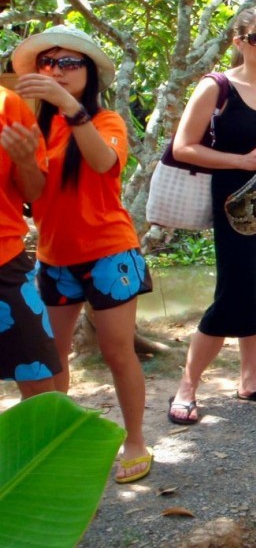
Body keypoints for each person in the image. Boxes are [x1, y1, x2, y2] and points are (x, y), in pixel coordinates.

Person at [12, 25, 153, 482]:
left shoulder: (107, 122)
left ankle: (135, 440)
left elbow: (102, 163)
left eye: (68, 63)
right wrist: (20, 156)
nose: (56, 71)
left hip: (109, 254)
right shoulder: (36, 128)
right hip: (53, 258)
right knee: (53, 358)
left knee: (117, 352)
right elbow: (32, 193)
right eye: (47, 63)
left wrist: (71, 109)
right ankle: (60, 441)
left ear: (89, 73)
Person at [167, 6, 256, 425]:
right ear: (239, 42)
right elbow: (182, 148)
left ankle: (250, 379)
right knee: (233, 294)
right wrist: (242, 161)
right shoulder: (217, 87)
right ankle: (187, 386)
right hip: (233, 203)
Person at [0, 85, 61, 399]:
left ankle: (36, 449)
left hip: (4, 261)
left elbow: (32, 192)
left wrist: (24, 160)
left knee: (39, 383)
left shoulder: (7, 104)